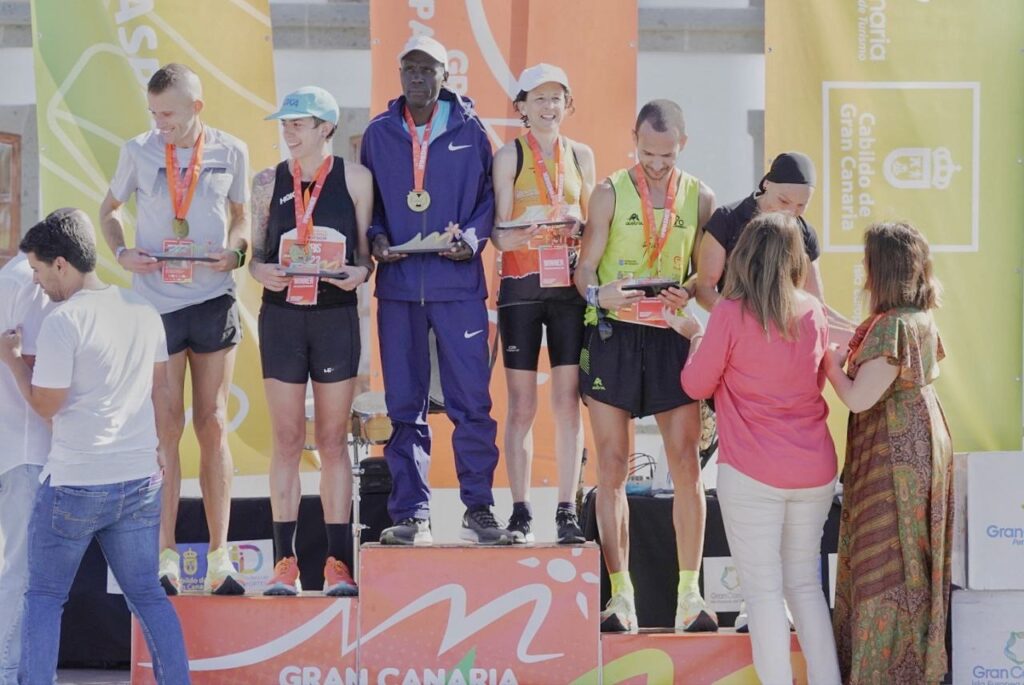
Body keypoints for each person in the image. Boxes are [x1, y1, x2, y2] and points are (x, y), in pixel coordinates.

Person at [0, 209, 190, 684]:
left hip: (75, 484)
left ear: (61, 264)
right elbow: (164, 397)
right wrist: (163, 451)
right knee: (147, 595)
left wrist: (13, 359)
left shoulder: (65, 322)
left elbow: (46, 405)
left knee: (43, 598)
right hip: (138, 482)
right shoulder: (142, 310)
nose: (39, 284)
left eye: (41, 272)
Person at [99, 63, 250, 595]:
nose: (159, 123)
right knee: (165, 429)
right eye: (154, 113)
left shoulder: (230, 149)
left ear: (196, 109)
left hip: (212, 298)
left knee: (211, 422)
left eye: (168, 114)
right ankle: (163, 556)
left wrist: (235, 252)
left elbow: (242, 216)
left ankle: (221, 559)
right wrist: (121, 252)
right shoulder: (138, 149)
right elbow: (109, 210)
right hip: (156, 304)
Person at [675, 212, 841, 685]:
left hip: (752, 472)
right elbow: (816, 381)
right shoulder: (812, 311)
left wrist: (695, 335)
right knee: (805, 588)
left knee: (765, 595)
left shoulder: (729, 313)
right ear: (795, 260)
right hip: (813, 469)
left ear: (744, 255)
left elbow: (695, 383)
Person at [359, 36, 511, 545]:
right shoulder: (379, 133)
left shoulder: (471, 130)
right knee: (404, 404)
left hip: (457, 284)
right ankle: (412, 513)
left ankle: (479, 507)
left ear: (446, 76)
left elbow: (490, 198)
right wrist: (377, 236)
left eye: (427, 69)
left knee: (471, 401)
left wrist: (472, 238)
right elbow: (369, 200)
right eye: (408, 69)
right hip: (399, 285)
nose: (417, 78)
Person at [574, 99, 717, 632]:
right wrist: (598, 294)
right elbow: (584, 270)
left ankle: (690, 597)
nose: (656, 163)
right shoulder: (609, 192)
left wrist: (692, 294)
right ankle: (622, 597)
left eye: (667, 153)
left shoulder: (701, 197)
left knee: (686, 464)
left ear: (684, 143)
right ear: (633, 138)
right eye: (647, 152)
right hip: (613, 334)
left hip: (668, 338)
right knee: (611, 467)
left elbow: (706, 281)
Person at [249, 86, 373, 596]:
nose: (289, 132)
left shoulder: (356, 178)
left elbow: (366, 257)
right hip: (282, 317)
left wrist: (356, 273)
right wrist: (262, 271)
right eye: (285, 124)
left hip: (333, 317)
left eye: (298, 123)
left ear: (326, 127)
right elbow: (255, 254)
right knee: (284, 441)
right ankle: (285, 563)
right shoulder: (265, 182)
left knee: (331, 441)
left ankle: (337, 564)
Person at [825, 221, 952, 685]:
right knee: (913, 558)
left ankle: (885, 671)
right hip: (920, 438)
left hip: (894, 449)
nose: (862, 268)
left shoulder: (892, 325)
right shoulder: (917, 319)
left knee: (886, 558)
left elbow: (859, 398)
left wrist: (828, 365)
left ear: (882, 268)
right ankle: (916, 666)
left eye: (868, 260)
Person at [490, 63, 596, 544]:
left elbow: (595, 227)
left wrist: (577, 234)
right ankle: (519, 509)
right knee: (521, 406)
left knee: (568, 402)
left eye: (557, 98)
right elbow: (496, 233)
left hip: (568, 293)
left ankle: (566, 509)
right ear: (522, 107)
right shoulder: (509, 155)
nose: (549, 108)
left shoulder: (581, 155)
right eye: (539, 99)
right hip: (520, 291)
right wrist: (524, 234)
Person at [695, 152, 855, 350]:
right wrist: (743, 322)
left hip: (785, 345)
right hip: (738, 341)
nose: (790, 212)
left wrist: (858, 332)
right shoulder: (728, 219)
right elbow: (704, 290)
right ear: (767, 184)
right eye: (783, 201)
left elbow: (816, 305)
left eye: (801, 205)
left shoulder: (805, 233)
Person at [0, 251, 52, 684]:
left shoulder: (13, 278)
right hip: (26, 448)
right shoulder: (27, 283)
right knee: (21, 570)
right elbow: (37, 364)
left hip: (20, 447)